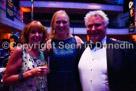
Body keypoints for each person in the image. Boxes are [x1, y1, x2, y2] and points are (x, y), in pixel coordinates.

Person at [78, 10, 136, 91]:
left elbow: (133, 80)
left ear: (105, 26)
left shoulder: (122, 49)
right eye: (90, 26)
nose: (93, 29)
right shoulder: (81, 49)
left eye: (97, 25)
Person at [3, 21, 49, 91]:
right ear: (27, 35)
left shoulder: (41, 52)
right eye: (33, 32)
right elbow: (6, 80)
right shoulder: (20, 50)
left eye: (40, 32)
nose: (37, 35)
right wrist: (30, 73)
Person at [45, 10, 83, 91]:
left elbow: (91, 52)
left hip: (73, 83)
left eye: (64, 22)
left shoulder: (77, 40)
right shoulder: (49, 43)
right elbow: (36, 59)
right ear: (53, 25)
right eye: (58, 22)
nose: (61, 25)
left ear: (68, 24)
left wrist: (106, 43)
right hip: (54, 84)